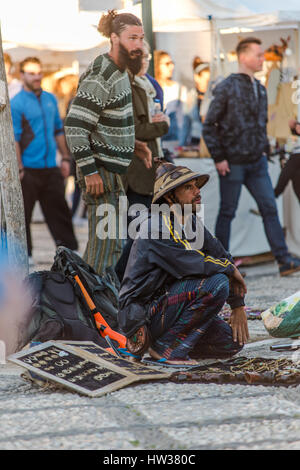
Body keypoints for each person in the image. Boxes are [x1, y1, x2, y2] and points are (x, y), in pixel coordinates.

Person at [118, 162, 249, 366]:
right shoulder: (156, 225)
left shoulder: (190, 221)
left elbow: (221, 254)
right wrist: (230, 270)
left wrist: (237, 304)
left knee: (230, 342)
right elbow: (194, 263)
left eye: (196, 185)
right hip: (143, 315)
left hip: (169, 306)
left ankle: (168, 345)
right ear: (169, 197)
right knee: (217, 284)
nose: (197, 192)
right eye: (189, 187)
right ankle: (166, 349)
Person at [203, 37, 300, 277]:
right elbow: (209, 125)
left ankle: (284, 261)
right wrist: (219, 157)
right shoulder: (226, 86)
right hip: (232, 162)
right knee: (228, 211)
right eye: (258, 54)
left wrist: (265, 149)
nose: (262, 59)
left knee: (269, 207)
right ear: (243, 57)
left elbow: (261, 123)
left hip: (256, 161)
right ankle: (222, 265)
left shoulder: (260, 87)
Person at [64, 10, 152, 275]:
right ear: (114, 38)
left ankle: (96, 303)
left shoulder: (122, 71)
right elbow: (75, 126)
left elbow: (105, 120)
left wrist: (134, 143)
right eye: (131, 38)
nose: (138, 44)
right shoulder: (102, 73)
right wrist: (90, 171)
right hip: (99, 172)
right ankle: (91, 309)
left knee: (111, 244)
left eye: (141, 38)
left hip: (112, 172)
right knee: (106, 246)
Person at [10, 57, 78, 265]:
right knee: (24, 216)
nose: (37, 76)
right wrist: (19, 168)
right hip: (28, 169)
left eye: (39, 72)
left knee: (60, 213)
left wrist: (65, 157)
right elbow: (15, 139)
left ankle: (72, 253)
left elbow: (58, 130)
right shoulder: (16, 103)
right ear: (22, 75)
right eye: (31, 73)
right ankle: (26, 256)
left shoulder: (50, 99)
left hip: (51, 167)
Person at [154, 50, 188, 150]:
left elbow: (182, 118)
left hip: (172, 139)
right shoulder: (151, 86)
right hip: (154, 137)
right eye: (167, 63)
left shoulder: (178, 88)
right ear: (157, 65)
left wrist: (182, 142)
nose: (171, 67)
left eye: (172, 63)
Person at [181, 57, 210, 146]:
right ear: (197, 77)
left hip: (211, 142)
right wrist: (182, 144)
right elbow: (186, 123)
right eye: (206, 80)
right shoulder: (191, 96)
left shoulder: (214, 96)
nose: (208, 83)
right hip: (195, 142)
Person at [274, 119, 300, 204]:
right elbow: (284, 149)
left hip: (296, 157)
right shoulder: (291, 138)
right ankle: (271, 198)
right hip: (294, 157)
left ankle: (273, 196)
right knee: (294, 182)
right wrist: (282, 157)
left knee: (287, 179)